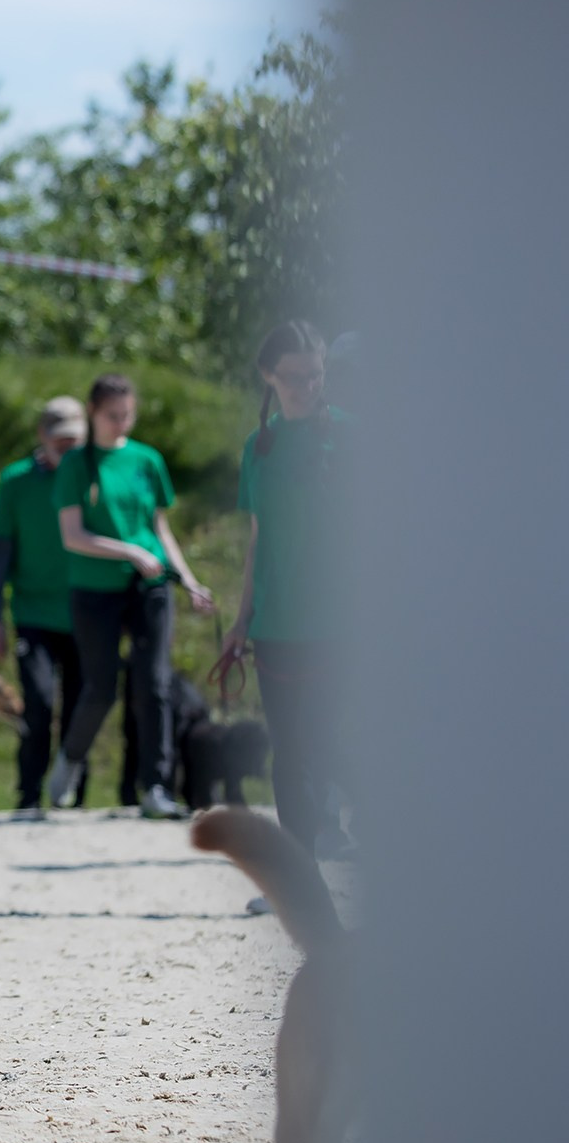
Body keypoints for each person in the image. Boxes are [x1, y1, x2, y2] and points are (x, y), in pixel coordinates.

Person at [45, 374, 214, 818]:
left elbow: (159, 528)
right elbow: (73, 535)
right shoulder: (76, 465)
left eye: (128, 415)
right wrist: (128, 551)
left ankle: (155, 787)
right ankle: (71, 761)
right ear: (92, 414)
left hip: (150, 586)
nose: (121, 424)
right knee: (100, 687)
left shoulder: (147, 460)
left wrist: (188, 577)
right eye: (112, 416)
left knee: (153, 684)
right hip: (95, 589)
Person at [222, 321, 349, 866]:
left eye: (315, 375)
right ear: (268, 375)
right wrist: (241, 619)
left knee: (330, 746)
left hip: (342, 624)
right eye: (294, 376)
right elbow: (258, 540)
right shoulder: (259, 445)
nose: (306, 386)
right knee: (290, 754)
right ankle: (300, 872)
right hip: (276, 626)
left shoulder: (351, 435)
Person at [0, 396, 89, 817]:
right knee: (40, 704)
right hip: (34, 615)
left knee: (82, 707)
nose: (68, 448)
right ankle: (28, 795)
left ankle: (74, 797)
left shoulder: (92, 474)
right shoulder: (17, 481)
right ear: (42, 436)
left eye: (75, 440)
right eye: (60, 440)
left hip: (86, 613)